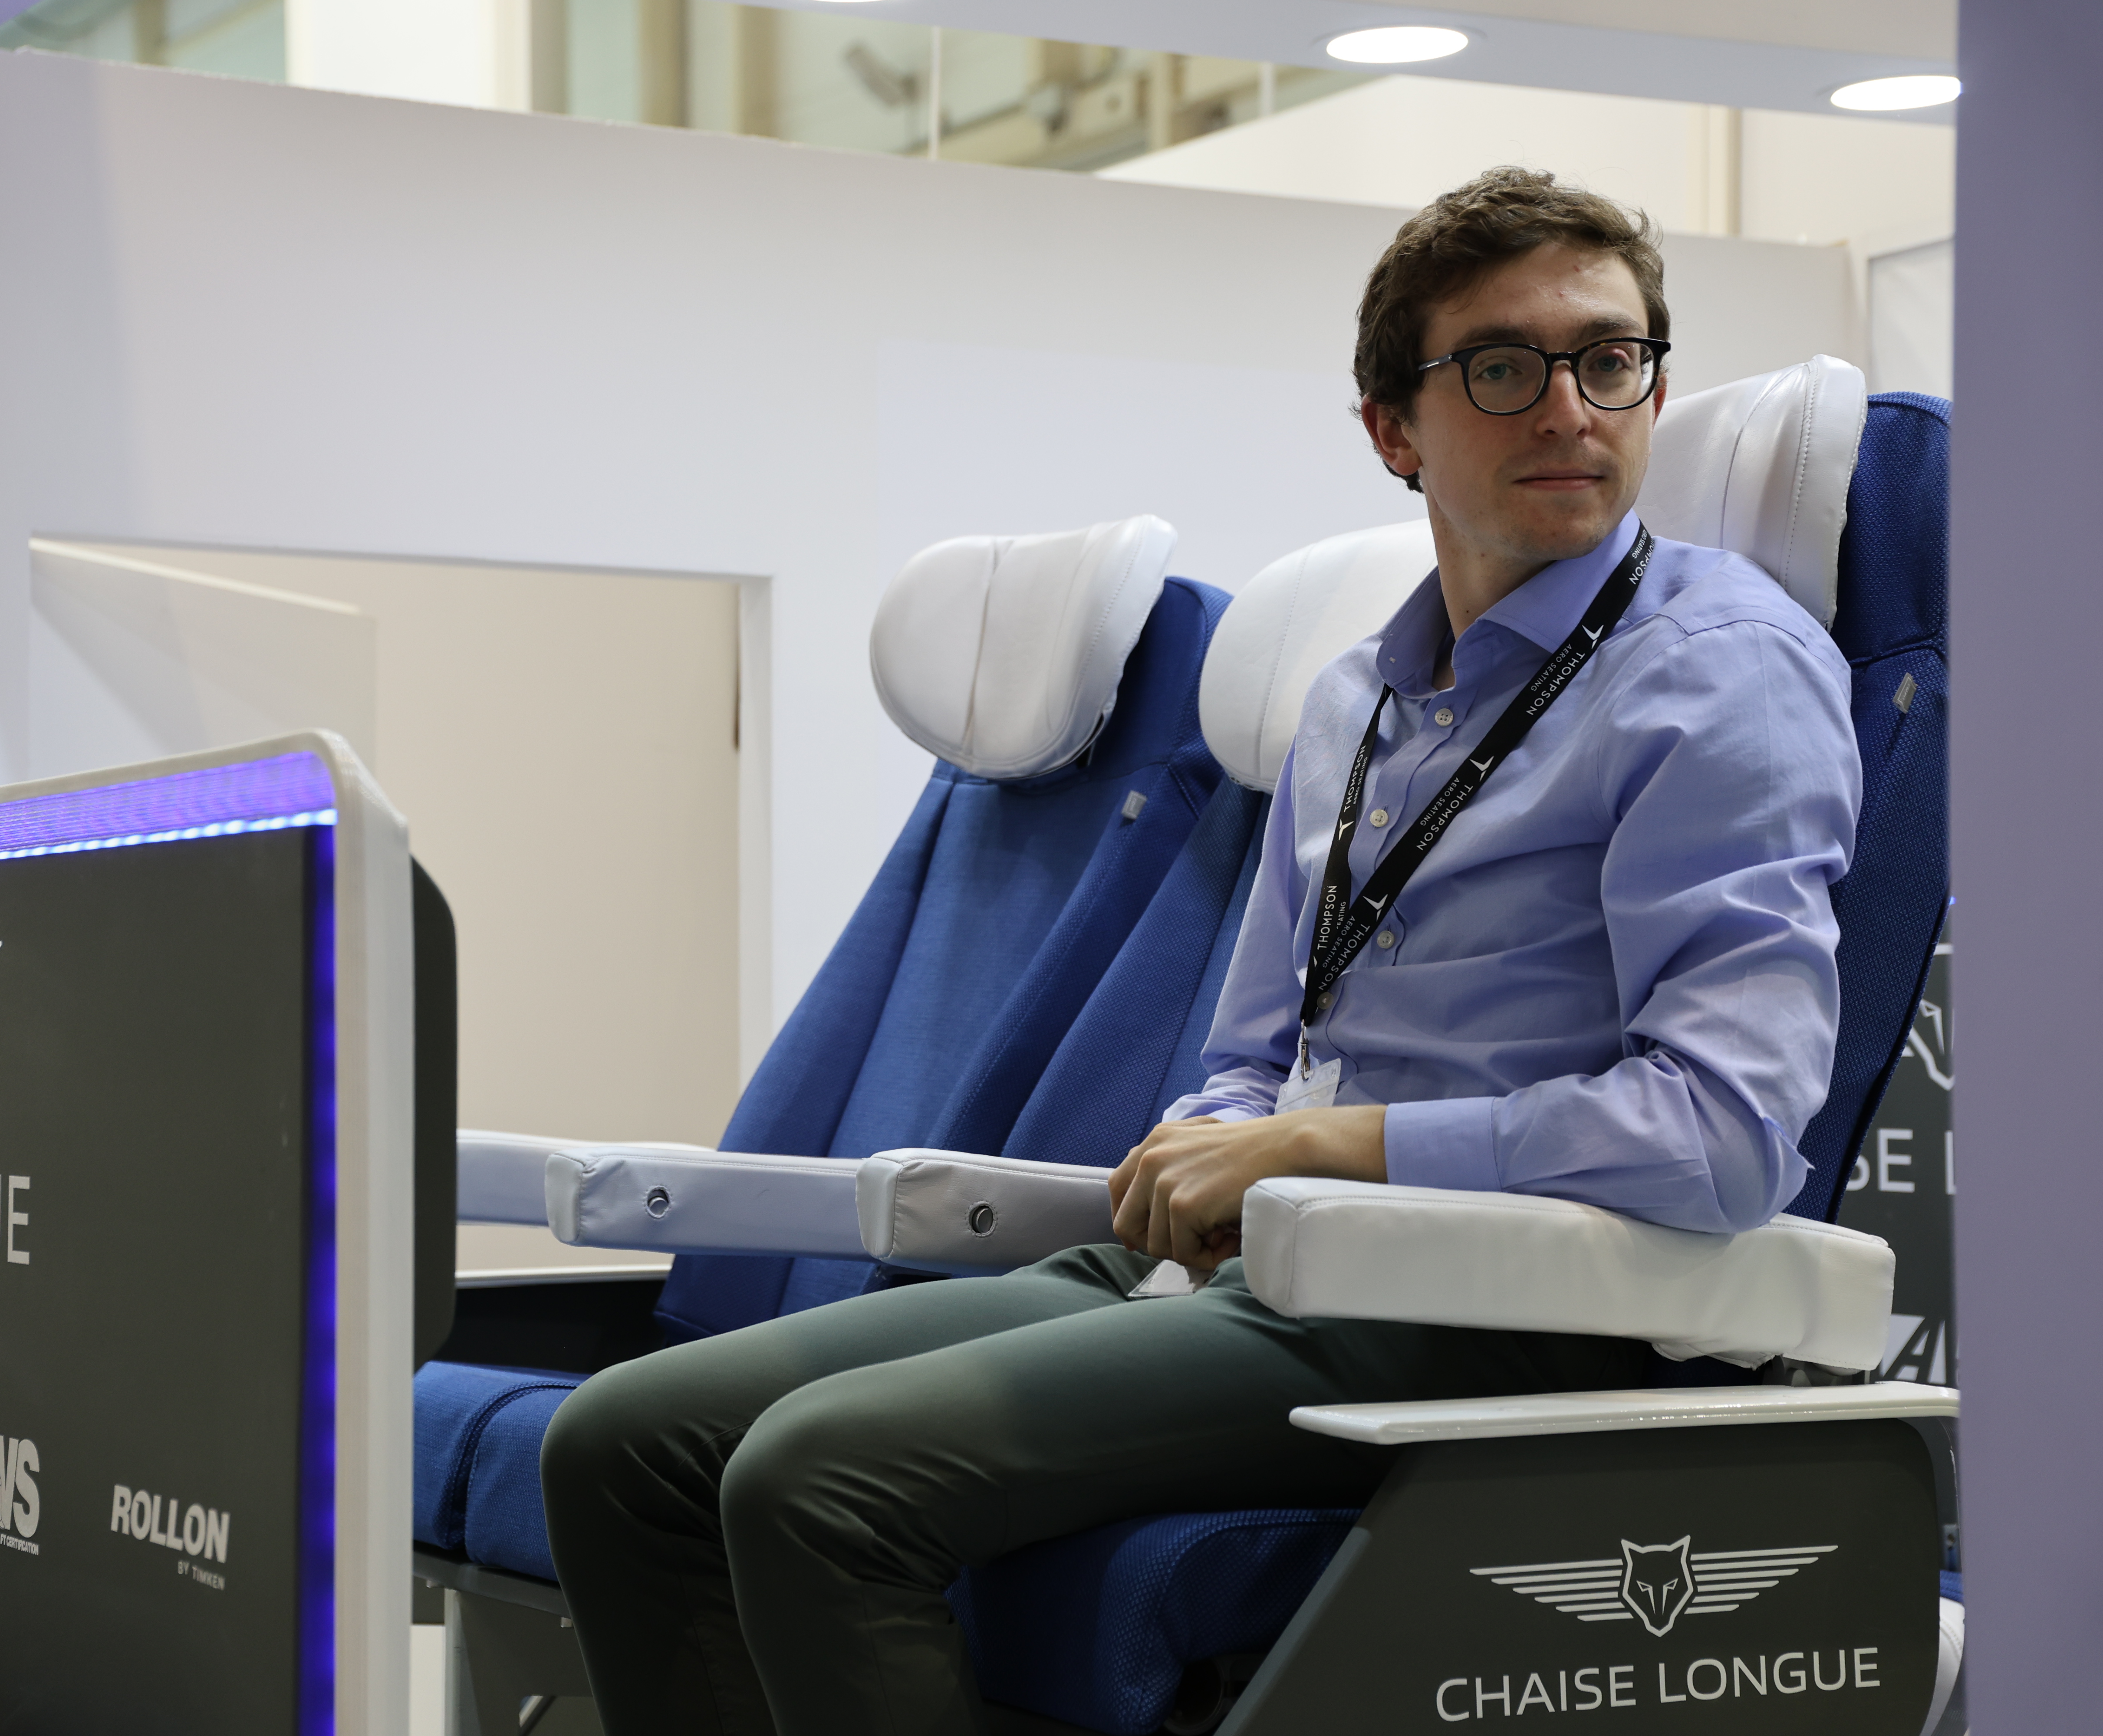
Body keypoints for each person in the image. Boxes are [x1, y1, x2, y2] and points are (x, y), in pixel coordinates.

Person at [538, 166, 1860, 1736]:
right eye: (1504, 367)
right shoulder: (1359, 701)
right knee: (622, 1444)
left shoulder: (1719, 678)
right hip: (1264, 1267)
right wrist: (1233, 1137)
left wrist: (1336, 1149)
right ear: (1394, 430)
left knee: (823, 1486)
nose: (1570, 407)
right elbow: (1256, 1050)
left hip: (1489, 1308)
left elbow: (1721, 1140)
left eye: (1611, 359)